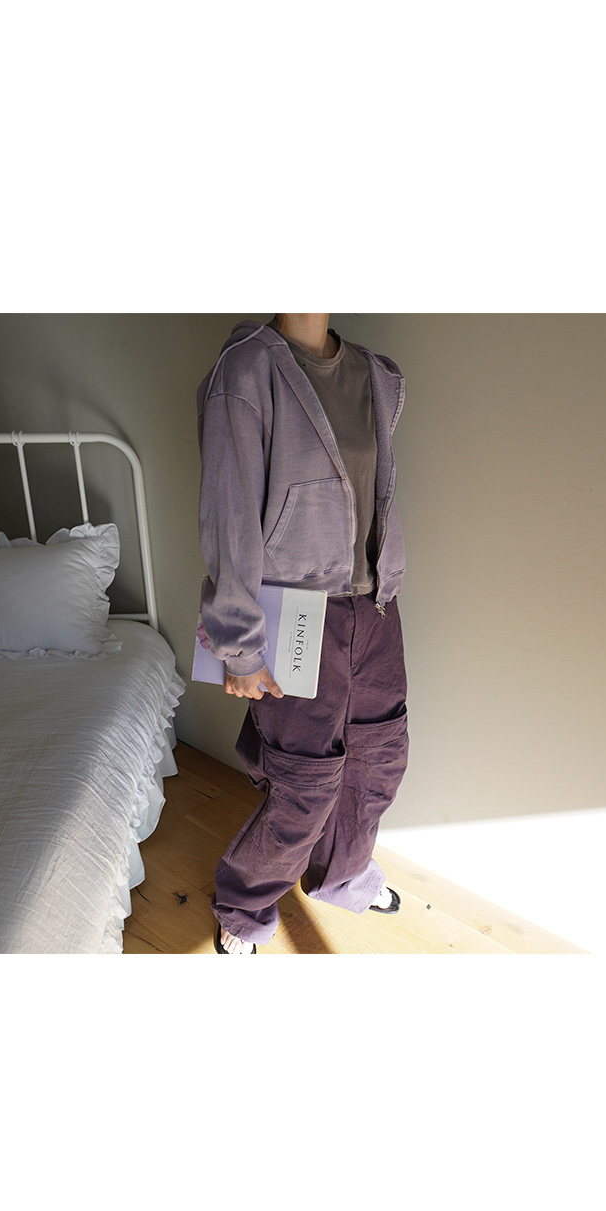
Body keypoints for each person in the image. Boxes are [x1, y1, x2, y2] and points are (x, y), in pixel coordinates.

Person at [197, 318, 409, 955]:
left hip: (377, 605)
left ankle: (343, 875)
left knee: (378, 763)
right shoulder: (247, 370)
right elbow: (229, 514)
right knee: (304, 786)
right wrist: (238, 643)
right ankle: (244, 907)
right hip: (298, 612)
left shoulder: (375, 374)